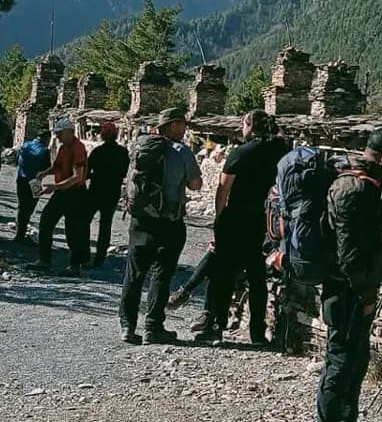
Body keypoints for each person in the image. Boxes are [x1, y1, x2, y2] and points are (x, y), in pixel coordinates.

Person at [316, 125, 382, 422]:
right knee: (341, 361)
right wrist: (366, 296)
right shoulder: (357, 189)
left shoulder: (365, 185)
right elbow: (351, 254)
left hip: (351, 288)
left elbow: (367, 232)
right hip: (347, 291)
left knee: (356, 359)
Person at [195, 110, 289, 346]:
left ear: (251, 126)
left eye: (244, 124)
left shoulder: (241, 153)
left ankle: (216, 327)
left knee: (224, 274)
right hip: (263, 220)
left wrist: (219, 219)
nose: (241, 129)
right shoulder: (280, 151)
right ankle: (257, 331)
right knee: (257, 276)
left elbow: (223, 189)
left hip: (236, 218)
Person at [119, 106, 202, 345]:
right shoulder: (181, 151)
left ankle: (127, 326)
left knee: (134, 274)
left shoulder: (141, 146)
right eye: (183, 124)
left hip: (140, 218)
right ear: (173, 125)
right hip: (168, 221)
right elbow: (195, 185)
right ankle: (153, 327)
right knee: (161, 275)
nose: (185, 128)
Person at [33, 117, 90, 276]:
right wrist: (45, 173)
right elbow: (57, 166)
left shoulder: (78, 148)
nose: (57, 136)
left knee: (73, 230)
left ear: (69, 132)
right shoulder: (63, 147)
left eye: (60, 133)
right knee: (46, 222)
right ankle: (44, 261)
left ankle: (74, 266)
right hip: (62, 191)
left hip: (75, 193)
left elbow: (78, 176)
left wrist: (55, 187)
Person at [87, 121, 130, 268]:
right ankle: (100, 258)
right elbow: (126, 173)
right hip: (112, 193)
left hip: (95, 191)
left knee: (85, 221)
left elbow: (87, 171)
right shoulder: (123, 152)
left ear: (103, 135)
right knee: (106, 225)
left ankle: (83, 253)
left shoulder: (98, 151)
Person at [14, 130, 51, 243]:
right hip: (35, 182)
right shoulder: (44, 150)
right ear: (46, 138)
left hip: (21, 178)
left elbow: (17, 161)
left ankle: (19, 233)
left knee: (21, 206)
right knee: (30, 207)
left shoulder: (25, 145)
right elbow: (46, 168)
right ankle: (21, 233)